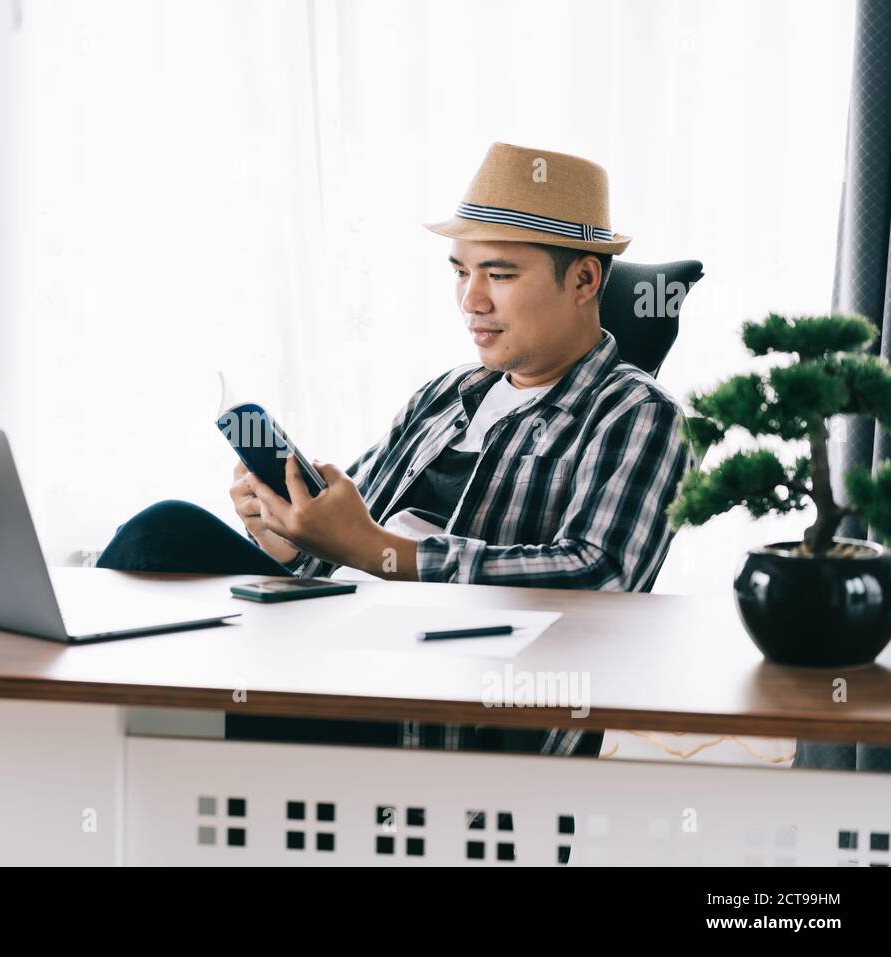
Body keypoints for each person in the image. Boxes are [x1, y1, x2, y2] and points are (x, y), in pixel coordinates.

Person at [98, 142, 692, 757]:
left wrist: (377, 549)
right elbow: (333, 550)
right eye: (462, 271)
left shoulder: (639, 414)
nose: (472, 301)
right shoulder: (442, 396)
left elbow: (599, 577)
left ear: (585, 278)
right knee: (163, 538)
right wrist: (289, 532)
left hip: (429, 717)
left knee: (159, 568)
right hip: (328, 656)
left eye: (500, 274)